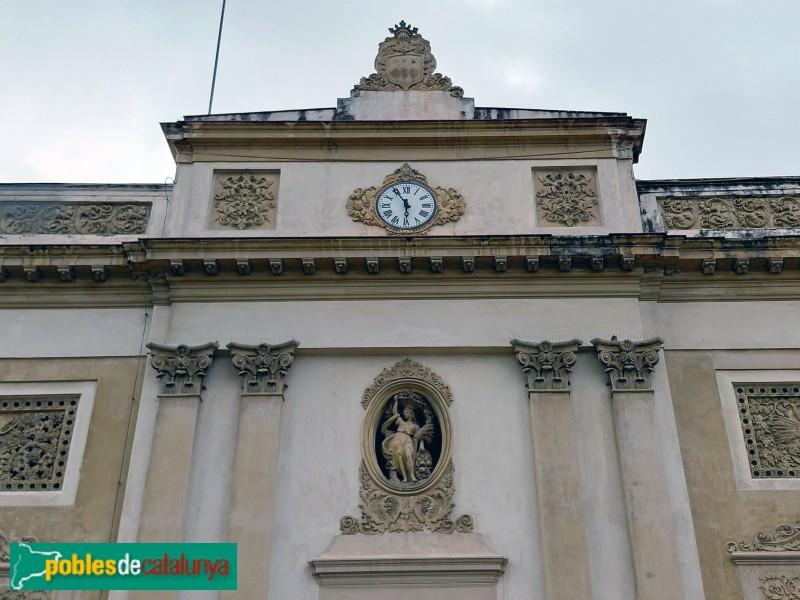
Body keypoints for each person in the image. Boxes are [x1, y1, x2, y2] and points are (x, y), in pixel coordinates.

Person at [381, 395, 433, 483]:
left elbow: (421, 436)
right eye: (404, 413)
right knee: (400, 458)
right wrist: (396, 401)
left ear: (411, 414)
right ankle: (405, 478)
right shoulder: (400, 421)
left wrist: (421, 445)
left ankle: (412, 476)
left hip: (408, 439)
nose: (405, 414)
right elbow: (395, 412)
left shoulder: (415, 426)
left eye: (406, 413)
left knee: (409, 455)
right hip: (398, 438)